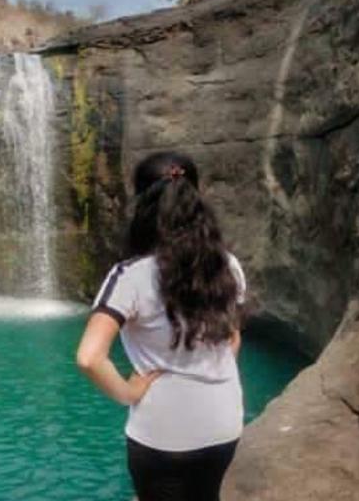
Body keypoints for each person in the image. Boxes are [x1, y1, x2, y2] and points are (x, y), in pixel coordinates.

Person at [75, 151, 247, 501]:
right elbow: (233, 339)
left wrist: (128, 393)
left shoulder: (131, 276)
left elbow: (89, 358)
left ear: (142, 206)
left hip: (162, 432)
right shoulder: (227, 265)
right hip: (223, 422)